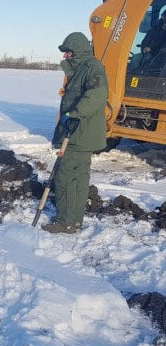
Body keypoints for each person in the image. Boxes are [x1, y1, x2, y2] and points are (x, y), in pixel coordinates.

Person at [42, 32, 108, 234]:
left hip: (79, 134)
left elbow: (96, 95)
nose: (64, 57)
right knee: (77, 178)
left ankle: (66, 222)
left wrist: (74, 115)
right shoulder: (81, 68)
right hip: (79, 133)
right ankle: (73, 221)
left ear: (76, 51)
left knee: (66, 177)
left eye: (67, 52)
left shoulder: (92, 68)